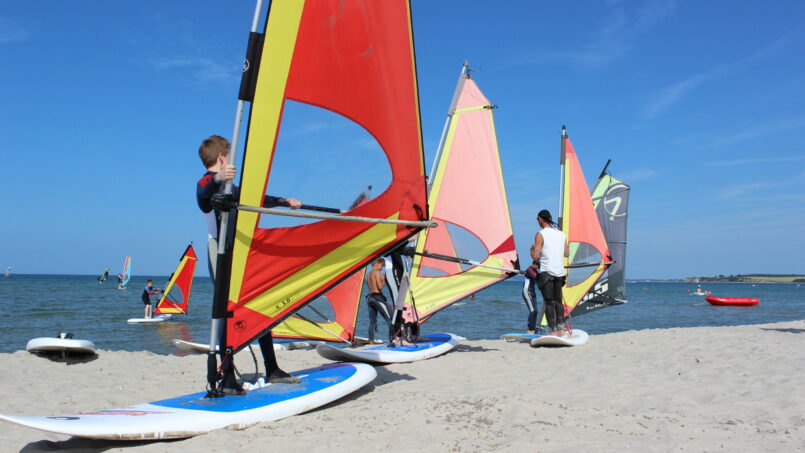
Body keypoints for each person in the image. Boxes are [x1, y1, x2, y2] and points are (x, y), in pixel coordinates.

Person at [197, 135, 302, 393]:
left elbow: (256, 198)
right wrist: (220, 177)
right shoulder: (208, 182)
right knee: (225, 310)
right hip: (218, 250)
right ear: (222, 157)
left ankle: (272, 368)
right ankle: (227, 375)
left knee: (257, 302)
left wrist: (284, 201)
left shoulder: (230, 187)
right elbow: (203, 192)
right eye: (229, 155)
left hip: (239, 251)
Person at [530, 209, 569, 336]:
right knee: (558, 301)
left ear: (541, 219)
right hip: (560, 273)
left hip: (546, 272)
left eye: (537, 219)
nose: (537, 221)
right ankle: (561, 330)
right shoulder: (562, 234)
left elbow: (536, 257)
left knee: (549, 302)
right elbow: (567, 254)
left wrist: (532, 249)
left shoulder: (540, 234)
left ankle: (552, 331)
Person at [365, 258, 393, 343]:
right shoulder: (377, 273)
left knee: (372, 322)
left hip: (370, 298)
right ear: (377, 264)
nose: (382, 268)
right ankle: (392, 340)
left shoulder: (368, 274)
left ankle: (371, 342)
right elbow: (380, 287)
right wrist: (384, 278)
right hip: (377, 297)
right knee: (391, 319)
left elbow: (371, 287)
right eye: (382, 265)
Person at [521, 263, 541, 333]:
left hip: (533, 293)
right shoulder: (529, 270)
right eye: (538, 266)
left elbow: (539, 280)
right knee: (532, 311)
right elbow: (537, 277)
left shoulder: (536, 271)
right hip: (527, 292)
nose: (539, 267)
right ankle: (529, 329)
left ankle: (533, 329)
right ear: (534, 264)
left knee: (535, 311)